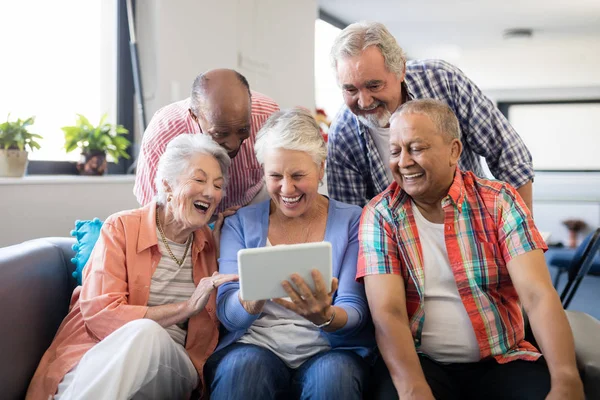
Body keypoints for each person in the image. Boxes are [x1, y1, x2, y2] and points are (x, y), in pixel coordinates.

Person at [357, 99, 584, 400]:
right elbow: (389, 312)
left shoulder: (499, 201)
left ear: (454, 151)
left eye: (417, 148)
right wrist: (414, 389)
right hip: (422, 363)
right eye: (396, 150)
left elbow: (538, 295)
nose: (404, 162)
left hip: (503, 359)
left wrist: (566, 378)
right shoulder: (380, 213)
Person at [26, 134, 239, 400]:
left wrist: (231, 235)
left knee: (145, 333)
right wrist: (186, 308)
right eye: (199, 179)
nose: (210, 192)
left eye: (217, 185)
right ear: (167, 185)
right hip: (101, 353)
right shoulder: (121, 229)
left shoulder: (214, 245)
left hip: (172, 367)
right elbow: (102, 315)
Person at [204, 108, 375, 400]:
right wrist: (251, 299)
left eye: (298, 175)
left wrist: (326, 316)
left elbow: (355, 310)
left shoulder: (354, 221)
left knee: (333, 379)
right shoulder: (239, 224)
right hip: (255, 346)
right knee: (242, 372)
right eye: (275, 176)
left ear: (321, 169)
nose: (287, 188)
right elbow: (228, 314)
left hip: (329, 350)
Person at [327, 21, 534, 212]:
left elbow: (510, 157)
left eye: (374, 85)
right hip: (402, 245)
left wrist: (522, 238)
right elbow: (352, 220)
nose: (364, 102)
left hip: (474, 226)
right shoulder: (343, 135)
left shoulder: (442, 81)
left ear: (400, 70)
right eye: (351, 90)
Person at [134, 68, 279, 213]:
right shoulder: (162, 133)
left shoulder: (267, 116)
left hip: (250, 207)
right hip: (188, 215)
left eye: (243, 130)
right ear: (194, 116)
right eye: (220, 133)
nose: (233, 144)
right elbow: (153, 208)